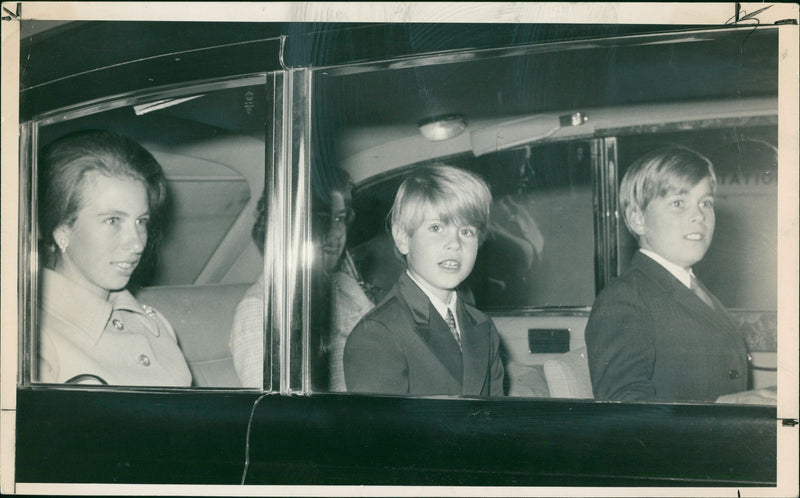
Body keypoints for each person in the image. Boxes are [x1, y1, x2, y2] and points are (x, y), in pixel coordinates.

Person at [584, 146, 775, 404]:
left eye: (705, 203)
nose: (699, 215)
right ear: (638, 219)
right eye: (678, 203)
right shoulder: (624, 300)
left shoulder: (693, 288)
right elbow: (624, 411)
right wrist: (723, 406)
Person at [37, 130, 192, 386]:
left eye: (141, 221)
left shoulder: (155, 324)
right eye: (113, 220)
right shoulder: (30, 340)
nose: (137, 242)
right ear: (61, 230)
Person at [343, 164, 505, 396]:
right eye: (436, 227)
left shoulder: (484, 326)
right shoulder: (378, 334)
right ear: (402, 238)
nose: (454, 244)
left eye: (466, 231)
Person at [230, 171, 375, 389]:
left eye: (339, 219)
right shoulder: (258, 311)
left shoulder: (346, 286)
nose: (335, 233)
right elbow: (277, 416)